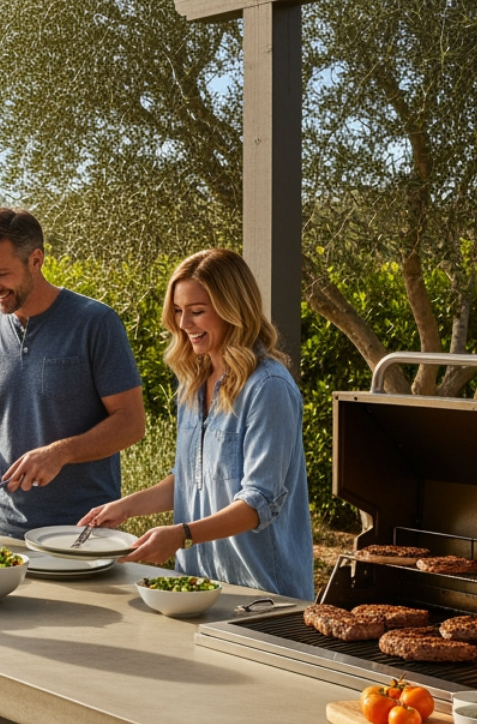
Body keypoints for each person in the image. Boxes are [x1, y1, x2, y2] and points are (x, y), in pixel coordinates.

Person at [74, 249, 313, 601]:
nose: (184, 324)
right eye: (178, 311)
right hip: (198, 587)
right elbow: (191, 479)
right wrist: (126, 506)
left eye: (197, 311)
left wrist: (181, 535)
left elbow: (258, 502)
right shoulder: (193, 383)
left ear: (234, 310)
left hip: (263, 597)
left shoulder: (269, 388)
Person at [0, 207, 146, 538]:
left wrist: (60, 453)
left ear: (36, 260)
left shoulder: (95, 323)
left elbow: (131, 423)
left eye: (1, 273)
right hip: (5, 531)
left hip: (84, 531)